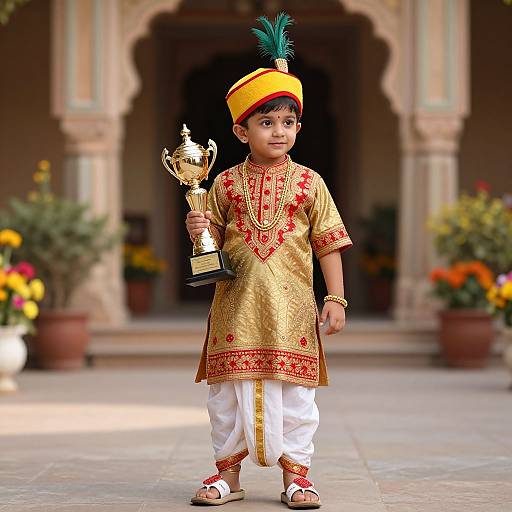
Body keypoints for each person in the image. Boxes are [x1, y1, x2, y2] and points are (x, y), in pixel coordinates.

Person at [186, 13, 352, 509]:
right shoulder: (224, 183)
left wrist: (337, 297)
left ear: (299, 126)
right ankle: (227, 476)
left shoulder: (311, 182)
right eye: (266, 122)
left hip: (293, 313)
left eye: (288, 122)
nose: (278, 131)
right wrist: (199, 228)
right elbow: (210, 239)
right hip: (235, 307)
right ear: (241, 130)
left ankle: (297, 478)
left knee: (295, 396)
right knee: (227, 394)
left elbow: (328, 240)